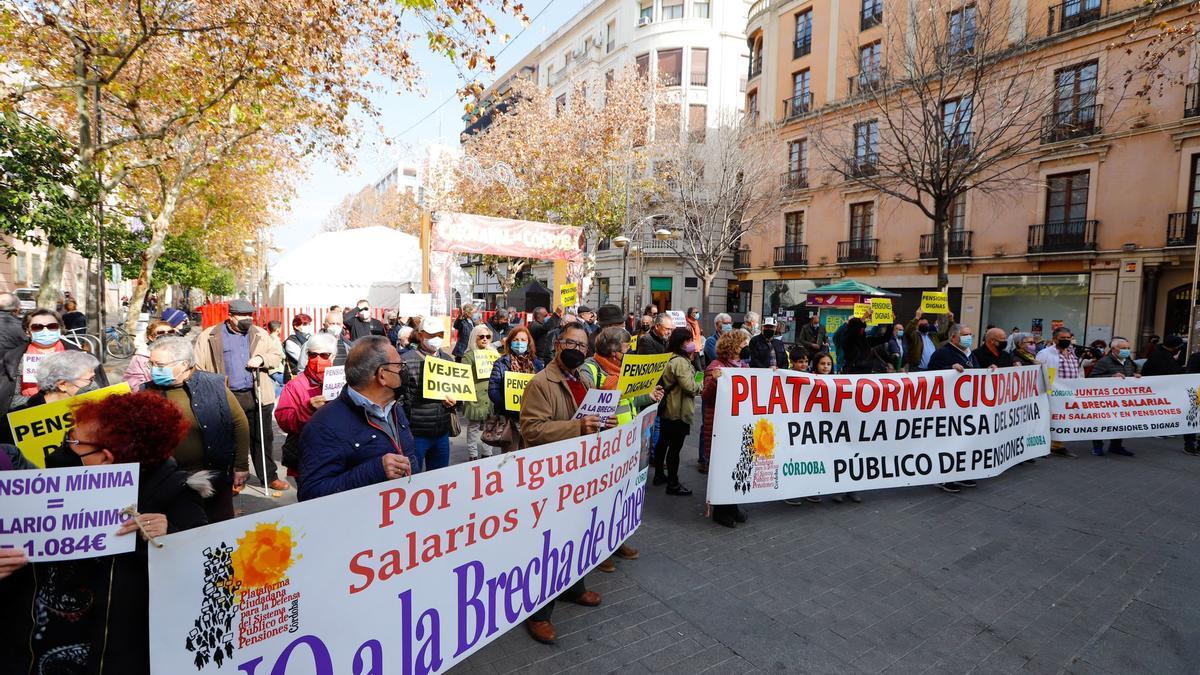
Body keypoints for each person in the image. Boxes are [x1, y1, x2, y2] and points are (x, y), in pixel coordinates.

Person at [1, 391, 209, 675]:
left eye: (73, 443)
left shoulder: (178, 499)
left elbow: (203, 581)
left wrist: (170, 539)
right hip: (33, 656)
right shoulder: (44, 494)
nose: (62, 451)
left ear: (106, 459)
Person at [518, 322, 605, 644]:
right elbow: (532, 430)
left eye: (583, 346)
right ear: (557, 345)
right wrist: (577, 428)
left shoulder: (582, 377)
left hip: (579, 470)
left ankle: (574, 588)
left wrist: (600, 423)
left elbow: (585, 419)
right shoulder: (541, 383)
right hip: (550, 475)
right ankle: (539, 613)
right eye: (572, 343)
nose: (578, 350)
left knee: (578, 532)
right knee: (549, 543)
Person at [578, 325, 661, 569]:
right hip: (603, 444)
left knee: (621, 495)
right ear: (614, 351)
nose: (629, 353)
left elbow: (631, 399)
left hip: (627, 441)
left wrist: (648, 397)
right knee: (601, 499)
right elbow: (586, 403)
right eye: (626, 349)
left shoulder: (625, 370)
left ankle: (617, 540)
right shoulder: (590, 368)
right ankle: (599, 549)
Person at [297, 336, 416, 500]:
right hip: (362, 521)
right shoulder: (324, 425)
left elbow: (409, 456)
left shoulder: (394, 407)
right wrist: (375, 470)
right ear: (382, 375)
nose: (403, 370)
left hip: (399, 514)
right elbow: (311, 493)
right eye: (398, 365)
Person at [144, 336, 250, 520]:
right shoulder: (145, 392)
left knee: (219, 531)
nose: (154, 370)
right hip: (169, 480)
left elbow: (239, 422)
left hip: (215, 475)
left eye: (159, 365)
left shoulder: (213, 386)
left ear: (184, 364)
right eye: (151, 364)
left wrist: (241, 465)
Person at [193, 299, 288, 492]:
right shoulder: (210, 335)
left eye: (250, 316)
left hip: (257, 393)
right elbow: (198, 366)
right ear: (231, 316)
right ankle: (236, 479)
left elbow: (277, 356)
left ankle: (269, 476)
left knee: (262, 439)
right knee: (232, 440)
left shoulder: (260, 334)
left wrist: (262, 359)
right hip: (226, 395)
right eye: (242, 316)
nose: (247, 319)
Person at [0, 308, 109, 416]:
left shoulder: (84, 358)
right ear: (28, 332)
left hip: (75, 416)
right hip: (30, 419)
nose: (45, 331)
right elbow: (8, 399)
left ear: (60, 329)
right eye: (37, 327)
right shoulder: (13, 359)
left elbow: (97, 393)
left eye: (52, 326)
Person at [276, 332, 337, 490]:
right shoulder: (294, 385)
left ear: (333, 356)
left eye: (324, 355)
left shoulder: (343, 381)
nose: (318, 360)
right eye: (313, 354)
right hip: (307, 457)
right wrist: (307, 408)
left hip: (337, 456)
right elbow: (283, 420)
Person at [704, 330, 751, 526]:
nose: (746, 347)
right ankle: (721, 510)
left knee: (736, 464)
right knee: (723, 467)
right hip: (720, 426)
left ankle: (732, 505)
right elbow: (706, 397)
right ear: (733, 346)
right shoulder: (716, 366)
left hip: (738, 425)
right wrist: (715, 380)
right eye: (743, 344)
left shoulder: (745, 366)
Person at [398, 324, 456, 472]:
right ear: (421, 335)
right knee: (412, 478)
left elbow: (460, 392)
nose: (436, 339)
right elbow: (398, 398)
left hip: (441, 432)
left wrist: (456, 401)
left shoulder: (448, 360)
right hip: (415, 433)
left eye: (440, 334)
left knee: (439, 479)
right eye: (431, 335)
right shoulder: (406, 360)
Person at [652, 327, 700, 496]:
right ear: (681, 343)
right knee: (674, 448)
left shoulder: (671, 357)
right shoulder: (680, 362)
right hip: (677, 411)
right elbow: (690, 387)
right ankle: (673, 483)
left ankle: (659, 474)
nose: (690, 344)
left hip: (669, 410)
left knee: (663, 443)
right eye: (688, 341)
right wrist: (702, 386)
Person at [487, 325, 545, 452]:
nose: (519, 343)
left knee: (528, 458)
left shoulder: (538, 364)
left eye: (523, 340)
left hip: (531, 420)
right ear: (510, 342)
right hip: (509, 420)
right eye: (516, 340)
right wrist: (508, 404)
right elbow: (493, 390)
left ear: (529, 343)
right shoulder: (501, 363)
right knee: (510, 459)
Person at [1141, 335, 1195, 454]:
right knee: (1159, 409)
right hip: (1156, 387)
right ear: (1174, 347)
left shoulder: (1164, 353)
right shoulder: (1159, 355)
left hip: (1162, 386)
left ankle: (1163, 428)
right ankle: (1157, 430)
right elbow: (1167, 371)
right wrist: (1184, 371)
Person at [1087, 337, 1139, 457]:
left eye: (1128, 348)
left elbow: (1131, 374)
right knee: (1100, 423)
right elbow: (1092, 378)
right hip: (1105, 400)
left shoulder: (1128, 361)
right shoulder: (1104, 361)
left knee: (1120, 423)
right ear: (1114, 349)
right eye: (1123, 348)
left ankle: (1116, 446)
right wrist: (1111, 377)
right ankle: (1097, 447)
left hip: (1122, 399)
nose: (1127, 350)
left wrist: (1135, 375)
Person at [1037, 326, 1081, 458]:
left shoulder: (1073, 352)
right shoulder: (1045, 353)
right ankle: (1043, 446)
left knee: (1063, 418)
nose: (1066, 340)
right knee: (1048, 418)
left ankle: (1058, 445)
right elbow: (1037, 372)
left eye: (1068, 338)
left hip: (1069, 393)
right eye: (1063, 338)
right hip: (1052, 392)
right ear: (1055, 339)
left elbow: (1078, 371)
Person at [462, 324, 497, 461]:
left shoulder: (494, 354)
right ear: (474, 338)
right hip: (475, 396)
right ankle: (473, 454)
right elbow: (463, 376)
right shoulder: (469, 355)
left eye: (487, 336)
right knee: (474, 427)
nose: (484, 339)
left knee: (490, 426)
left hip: (491, 397)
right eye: (481, 336)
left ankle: (488, 453)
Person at [123, 319, 177, 391]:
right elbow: (131, 382)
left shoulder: (181, 352)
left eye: (170, 332)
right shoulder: (141, 357)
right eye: (161, 332)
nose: (166, 335)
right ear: (151, 337)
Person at [283, 313, 315, 380]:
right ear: (296, 326)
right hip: (296, 377)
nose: (308, 326)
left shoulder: (310, 338)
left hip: (310, 375)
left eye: (309, 324)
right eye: (305, 324)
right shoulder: (290, 341)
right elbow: (303, 360)